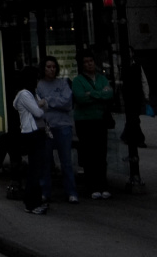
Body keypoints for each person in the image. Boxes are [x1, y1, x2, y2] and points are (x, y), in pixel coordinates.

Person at [72, 52, 115, 199]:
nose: (89, 64)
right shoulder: (78, 80)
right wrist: (99, 95)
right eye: (86, 62)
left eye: (91, 61)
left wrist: (91, 94)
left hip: (99, 120)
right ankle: (92, 186)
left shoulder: (101, 78)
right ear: (82, 65)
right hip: (84, 121)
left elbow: (109, 94)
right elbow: (80, 98)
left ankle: (103, 184)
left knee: (101, 153)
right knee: (89, 153)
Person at [36, 55, 79, 204]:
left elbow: (67, 102)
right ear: (43, 68)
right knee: (46, 161)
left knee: (66, 162)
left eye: (54, 67)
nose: (51, 69)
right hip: (47, 126)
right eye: (48, 67)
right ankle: (45, 192)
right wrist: (55, 102)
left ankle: (71, 192)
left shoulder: (63, 83)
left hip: (63, 125)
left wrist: (48, 101)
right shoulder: (39, 85)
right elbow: (38, 105)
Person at [13, 66, 48, 214]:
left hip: (36, 132)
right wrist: (41, 104)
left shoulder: (30, 93)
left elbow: (43, 106)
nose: (38, 81)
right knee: (34, 169)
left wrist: (41, 104)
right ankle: (32, 203)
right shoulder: (25, 94)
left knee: (37, 168)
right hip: (32, 132)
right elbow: (39, 111)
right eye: (37, 78)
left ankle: (35, 200)